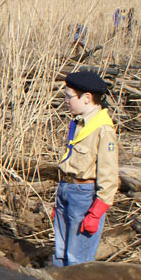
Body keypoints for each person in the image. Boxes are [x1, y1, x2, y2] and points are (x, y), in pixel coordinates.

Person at [53, 70, 119, 267]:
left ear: (87, 98)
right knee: (60, 253)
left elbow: (109, 176)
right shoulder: (79, 123)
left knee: (77, 259)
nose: (66, 101)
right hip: (67, 190)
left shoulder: (102, 129)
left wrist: (96, 212)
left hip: (84, 196)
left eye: (69, 96)